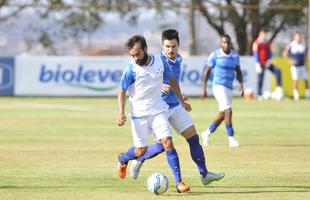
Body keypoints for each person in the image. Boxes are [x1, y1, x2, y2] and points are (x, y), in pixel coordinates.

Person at [129, 29, 225, 185]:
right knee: (161, 147)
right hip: (158, 109)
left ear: (178, 45)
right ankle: (139, 158)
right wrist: (159, 87)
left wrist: (181, 97)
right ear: (162, 46)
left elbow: (174, 82)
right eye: (167, 46)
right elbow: (144, 81)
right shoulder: (155, 61)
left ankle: (204, 174)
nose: (170, 50)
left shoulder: (179, 59)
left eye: (173, 46)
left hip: (175, 106)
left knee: (194, 138)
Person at [117, 35, 191, 193]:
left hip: (158, 110)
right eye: (132, 55)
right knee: (140, 151)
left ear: (145, 49)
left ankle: (179, 183)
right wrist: (121, 113)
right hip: (139, 115)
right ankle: (123, 158)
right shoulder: (131, 69)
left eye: (137, 54)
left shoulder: (159, 61)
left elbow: (172, 81)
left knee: (167, 142)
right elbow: (122, 92)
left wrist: (182, 101)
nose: (135, 58)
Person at [201, 34, 244, 147]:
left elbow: (238, 71)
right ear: (220, 44)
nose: (226, 44)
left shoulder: (235, 55)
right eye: (224, 42)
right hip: (218, 86)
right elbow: (207, 71)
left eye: (228, 42)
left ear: (230, 44)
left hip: (229, 87)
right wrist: (204, 88)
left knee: (223, 113)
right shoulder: (215, 55)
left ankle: (207, 133)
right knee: (228, 110)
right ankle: (231, 138)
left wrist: (241, 84)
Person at [252, 29, 283, 99]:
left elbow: (270, 52)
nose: (264, 35)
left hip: (267, 62)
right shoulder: (256, 42)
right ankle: (259, 94)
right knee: (260, 78)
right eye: (263, 34)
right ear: (260, 34)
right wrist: (257, 63)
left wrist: (269, 60)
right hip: (260, 63)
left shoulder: (267, 42)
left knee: (277, 71)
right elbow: (255, 53)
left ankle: (279, 88)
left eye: (265, 34)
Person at [282, 32, 310, 100]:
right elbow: (284, 53)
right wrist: (290, 61)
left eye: (299, 37)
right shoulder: (291, 44)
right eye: (297, 37)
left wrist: (306, 64)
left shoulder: (303, 45)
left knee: (306, 80)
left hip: (302, 66)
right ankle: (295, 94)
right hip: (295, 67)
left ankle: (308, 94)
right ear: (295, 37)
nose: (298, 38)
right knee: (296, 80)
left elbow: (305, 56)